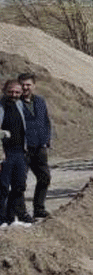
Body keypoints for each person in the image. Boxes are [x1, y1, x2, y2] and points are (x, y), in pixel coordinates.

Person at [17, 73, 53, 219]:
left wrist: (46, 140)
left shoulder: (40, 101)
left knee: (44, 178)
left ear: (34, 86)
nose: (25, 87)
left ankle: (39, 208)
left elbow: (45, 121)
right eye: (23, 84)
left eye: (28, 84)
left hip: (39, 147)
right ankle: (22, 213)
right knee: (20, 182)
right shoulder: (13, 102)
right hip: (22, 149)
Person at [0, 80, 31, 226]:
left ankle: (12, 217)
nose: (14, 94)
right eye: (11, 91)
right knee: (3, 187)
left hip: (20, 153)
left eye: (17, 92)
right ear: (4, 90)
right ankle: (1, 219)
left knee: (19, 186)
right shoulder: (1, 106)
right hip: (4, 153)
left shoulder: (20, 105)